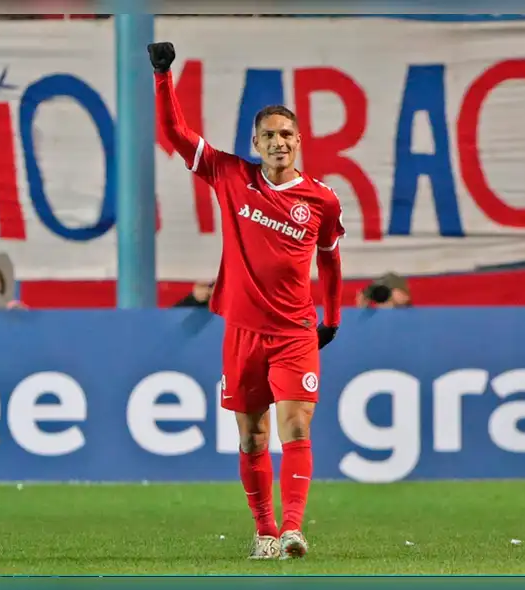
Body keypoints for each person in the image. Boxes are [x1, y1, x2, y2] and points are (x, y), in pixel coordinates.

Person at [150, 41, 345, 560]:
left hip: (296, 330)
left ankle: (293, 529)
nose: (278, 142)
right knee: (253, 436)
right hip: (242, 328)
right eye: (268, 136)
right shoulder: (231, 175)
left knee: (297, 423)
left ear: (299, 140)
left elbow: (330, 259)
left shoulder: (322, 199)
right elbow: (174, 134)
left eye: (286, 134)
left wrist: (333, 317)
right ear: (255, 143)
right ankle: (263, 532)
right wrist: (162, 75)